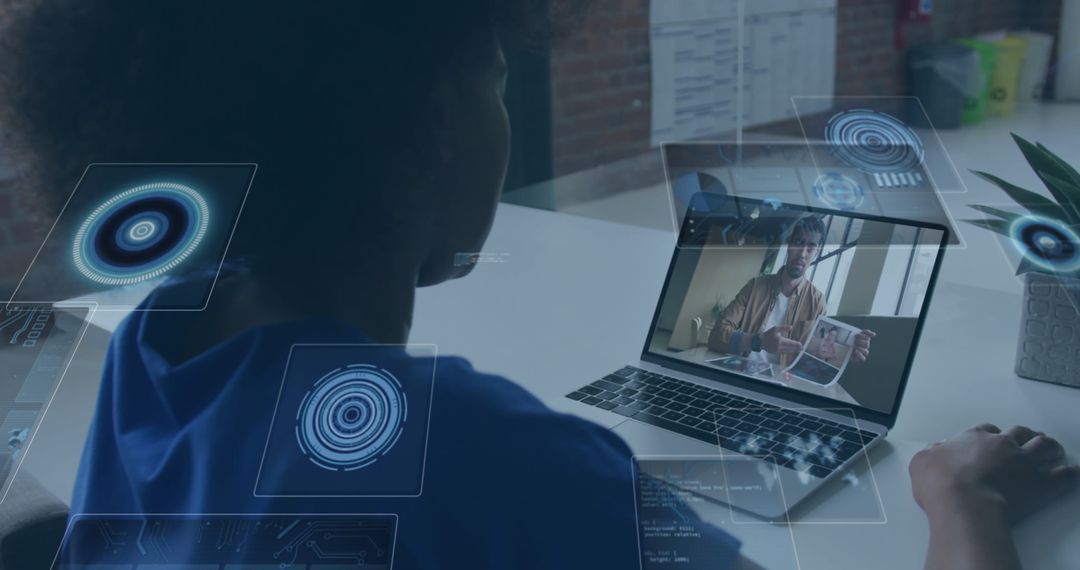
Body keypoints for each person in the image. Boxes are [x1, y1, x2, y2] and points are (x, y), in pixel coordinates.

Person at [0, 3, 1074, 570]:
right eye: (497, 79)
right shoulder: (472, 451)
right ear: (424, 130)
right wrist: (957, 496)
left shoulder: (159, 337)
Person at [709, 217, 875, 368]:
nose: (802, 254)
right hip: (741, 371)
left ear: (817, 252)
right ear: (789, 246)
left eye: (811, 248)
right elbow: (716, 336)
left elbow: (815, 357)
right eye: (798, 243)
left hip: (782, 384)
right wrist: (757, 341)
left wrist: (844, 355)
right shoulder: (755, 286)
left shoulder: (817, 302)